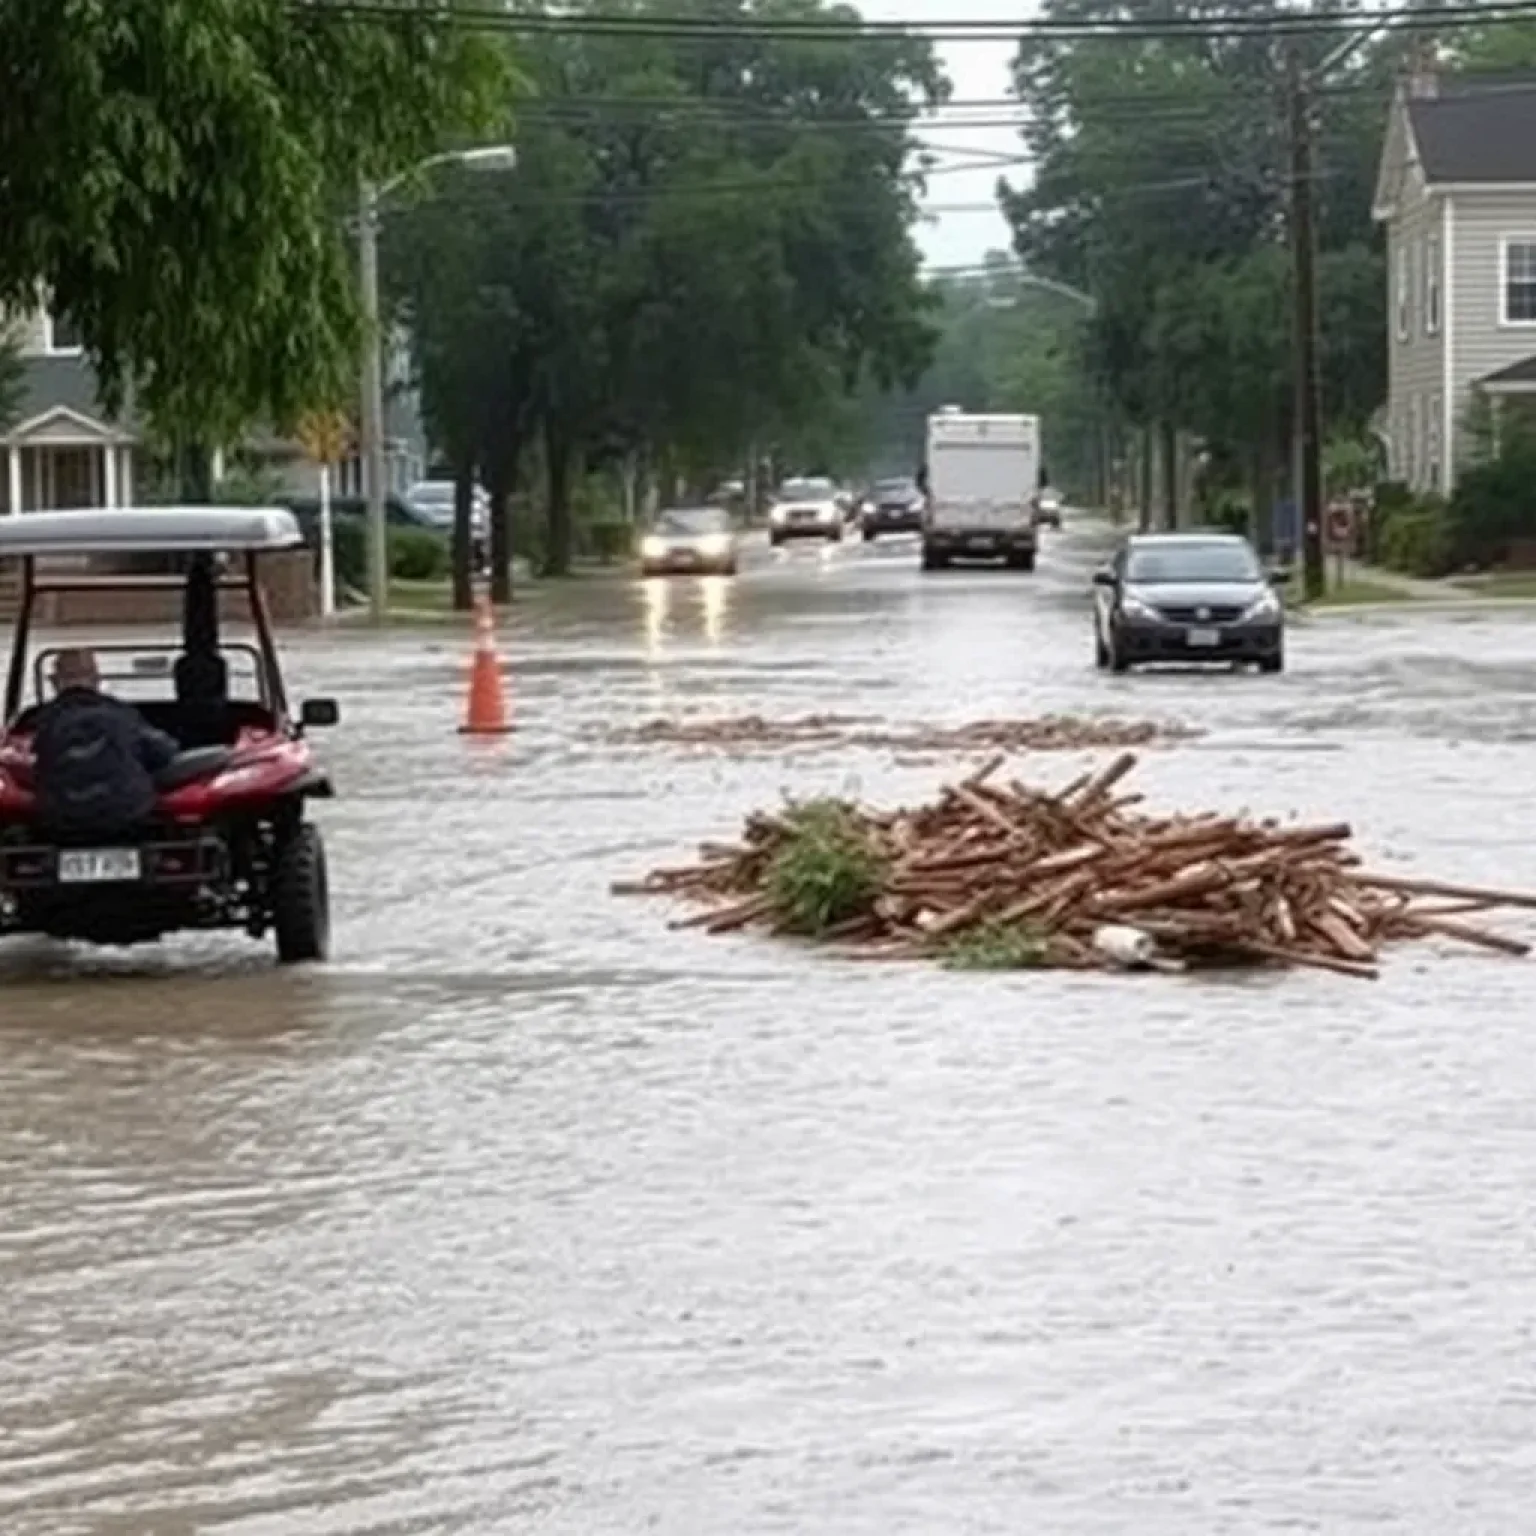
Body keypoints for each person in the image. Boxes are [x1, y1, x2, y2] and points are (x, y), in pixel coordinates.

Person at [31, 649, 179, 838]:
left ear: (54, 681)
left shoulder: (42, 722)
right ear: (96, 678)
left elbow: (30, 764)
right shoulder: (121, 714)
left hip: (60, 820)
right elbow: (165, 752)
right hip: (126, 816)